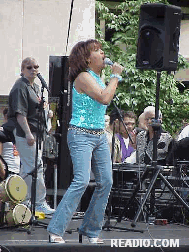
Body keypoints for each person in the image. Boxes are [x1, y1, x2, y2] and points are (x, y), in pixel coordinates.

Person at [47, 39, 124, 244]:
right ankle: (56, 229)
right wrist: (116, 76)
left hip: (99, 135)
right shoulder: (83, 77)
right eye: (97, 50)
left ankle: (90, 229)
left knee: (106, 181)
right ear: (87, 58)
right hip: (81, 134)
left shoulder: (99, 77)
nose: (103, 53)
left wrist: (111, 78)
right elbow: (104, 98)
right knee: (81, 180)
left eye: (101, 49)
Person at [8, 57, 55, 215]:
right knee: (35, 167)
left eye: (36, 66)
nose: (33, 69)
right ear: (22, 70)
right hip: (25, 132)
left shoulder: (34, 86)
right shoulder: (20, 87)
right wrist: (28, 134)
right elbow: (20, 113)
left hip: (36, 132)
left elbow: (34, 109)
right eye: (29, 67)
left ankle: (21, 200)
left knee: (27, 169)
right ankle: (38, 202)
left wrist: (46, 113)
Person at [0, 108, 20, 175]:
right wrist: (3, 172)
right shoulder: (2, 133)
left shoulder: (18, 133)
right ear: (6, 117)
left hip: (18, 172)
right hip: (7, 171)